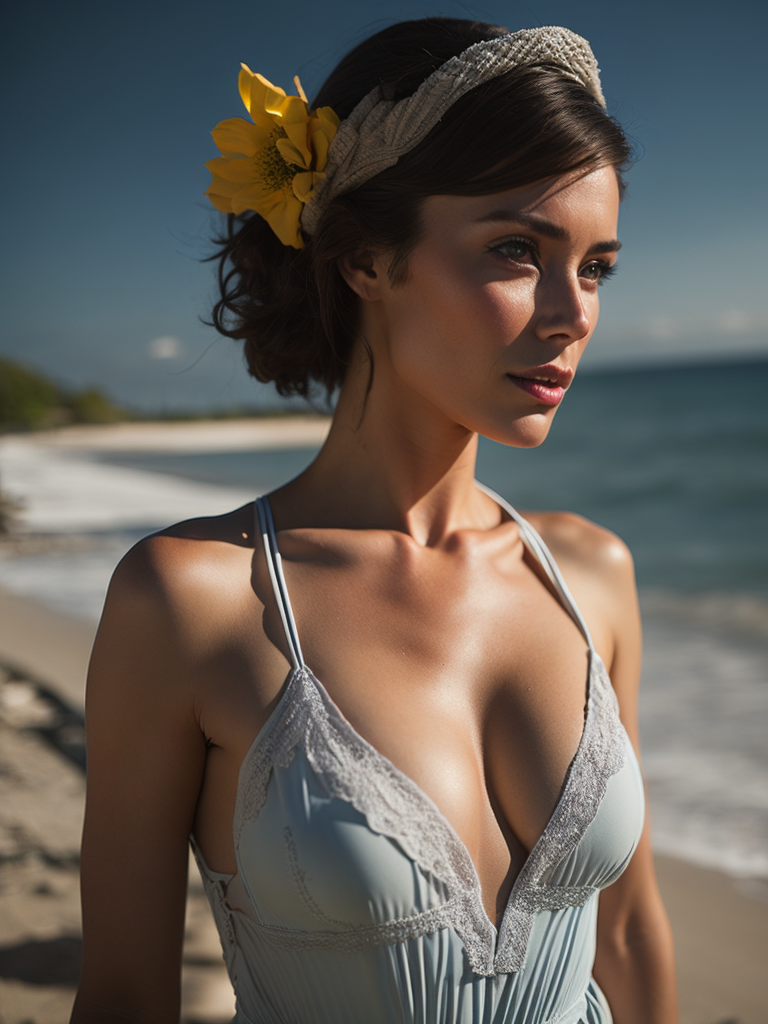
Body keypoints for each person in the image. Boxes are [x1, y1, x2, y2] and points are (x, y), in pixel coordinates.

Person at [70, 17, 678, 1024]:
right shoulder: (192, 602)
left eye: (599, 265)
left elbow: (626, 932)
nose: (573, 311)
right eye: (517, 251)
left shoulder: (589, 574)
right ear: (365, 261)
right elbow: (129, 994)